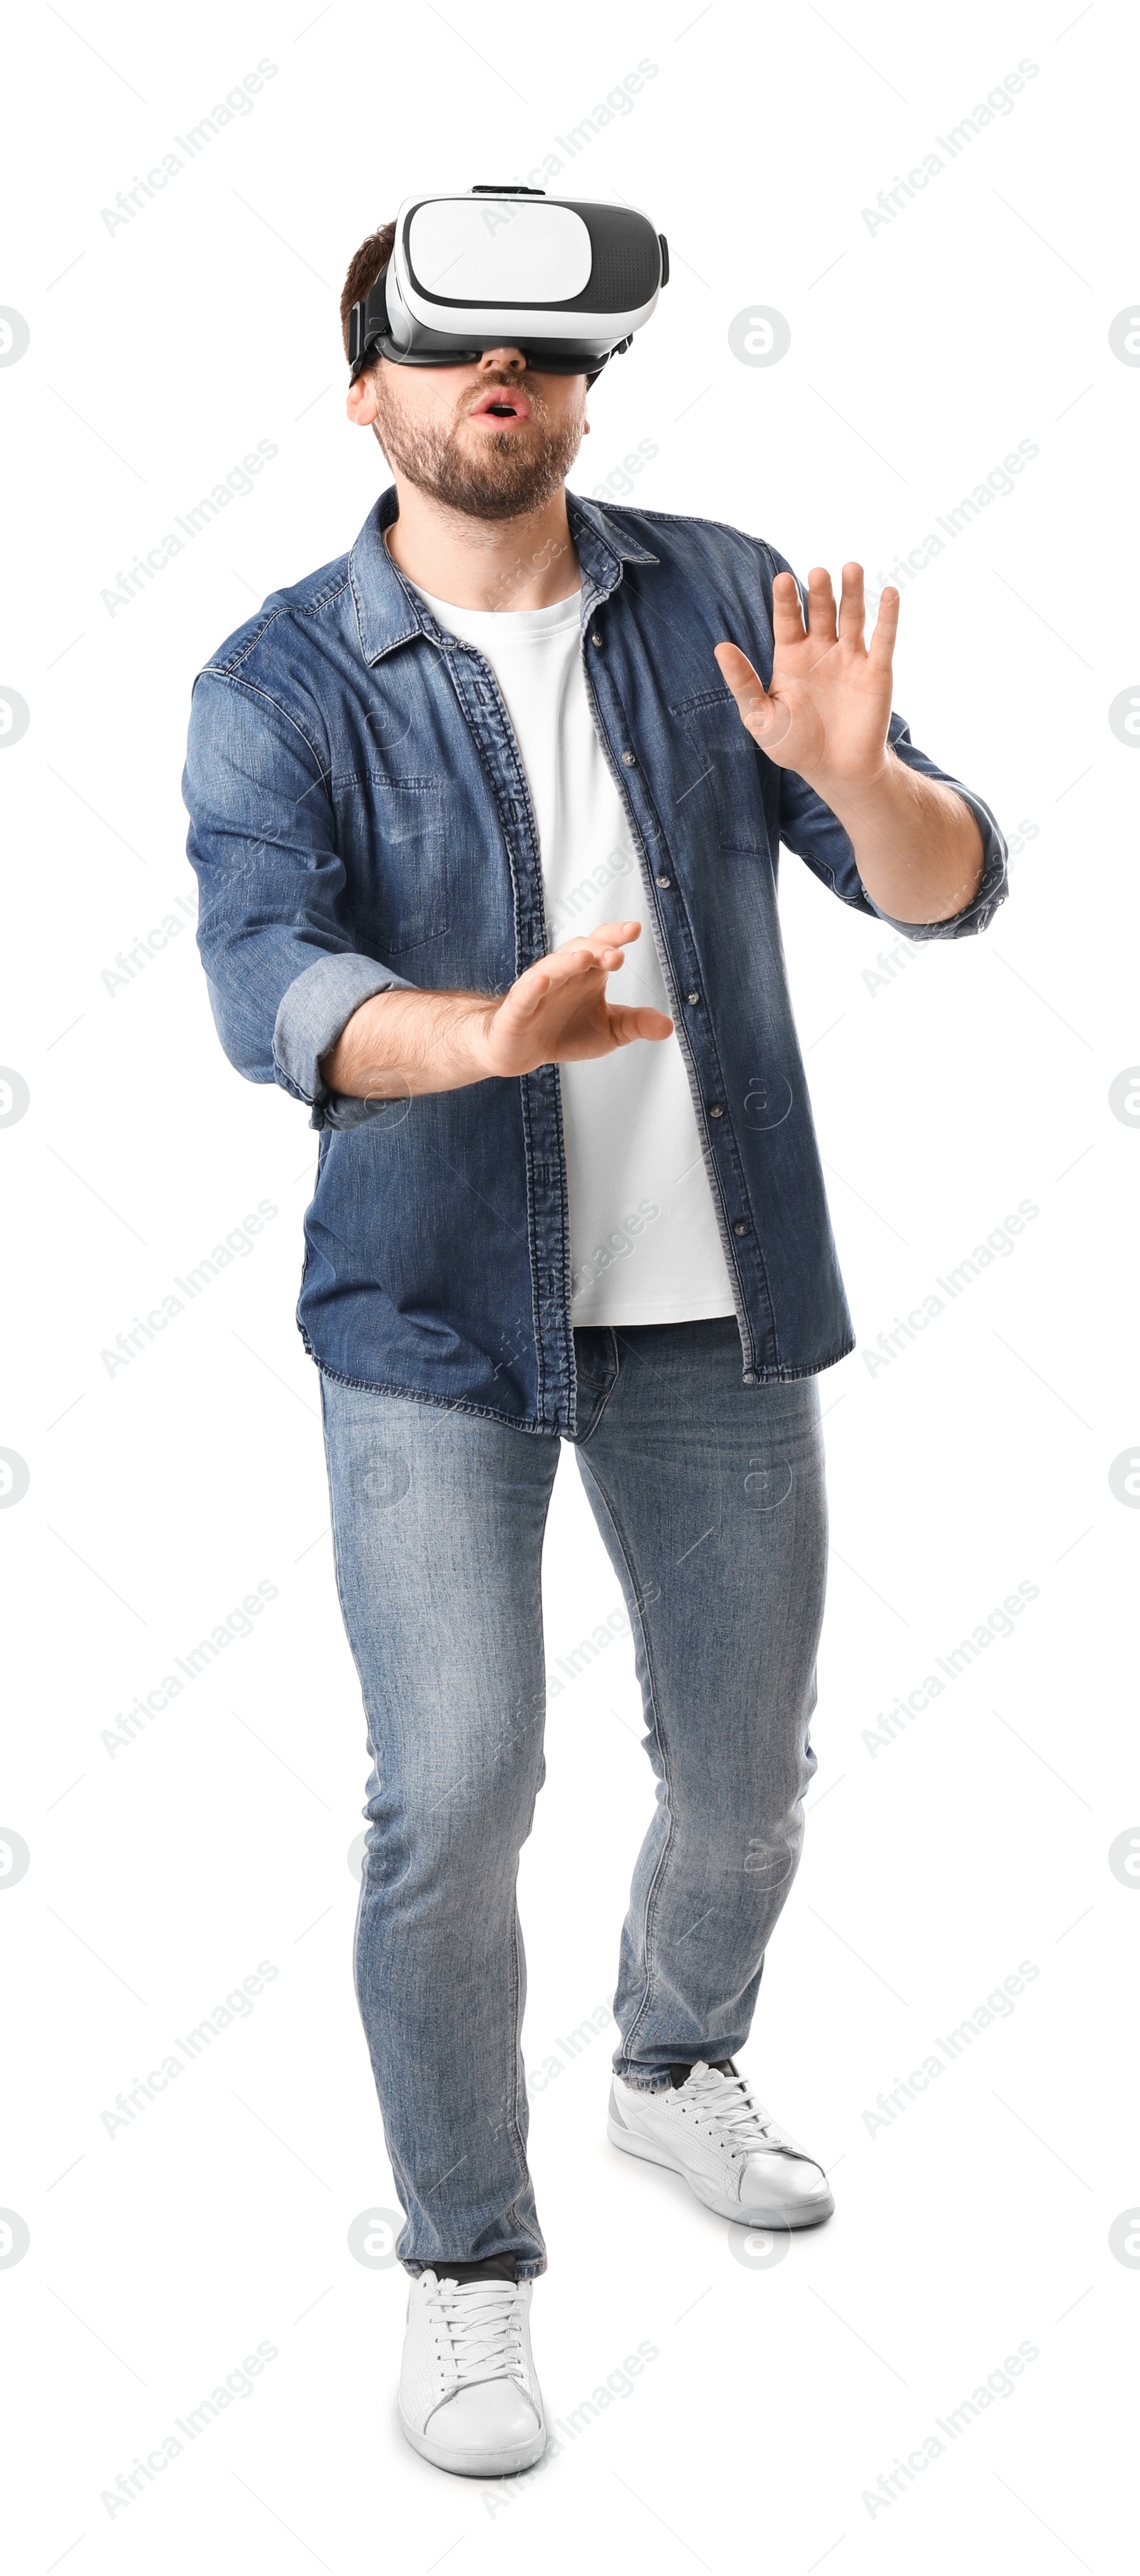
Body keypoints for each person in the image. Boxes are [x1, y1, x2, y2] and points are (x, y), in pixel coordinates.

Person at [183, 207, 1007, 2481]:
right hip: (430, 1329)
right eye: (452, 360)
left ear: (583, 386)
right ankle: (466, 2267)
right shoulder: (280, 677)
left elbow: (941, 890)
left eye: (541, 360)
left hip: (720, 1314)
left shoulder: (723, 592)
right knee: (455, 1798)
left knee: (747, 1776)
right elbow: (269, 982)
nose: (502, 392)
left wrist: (857, 779)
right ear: (367, 387)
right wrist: (480, 1035)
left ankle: (670, 2064)